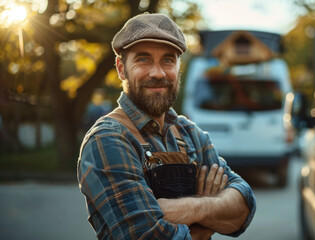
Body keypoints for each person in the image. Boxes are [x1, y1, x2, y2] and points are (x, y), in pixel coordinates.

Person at [77, 13, 256, 240]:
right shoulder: (108, 139)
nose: (158, 73)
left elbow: (244, 208)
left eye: (168, 60)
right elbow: (147, 236)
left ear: (178, 68)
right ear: (121, 69)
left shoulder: (191, 133)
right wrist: (206, 226)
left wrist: (194, 208)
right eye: (143, 59)